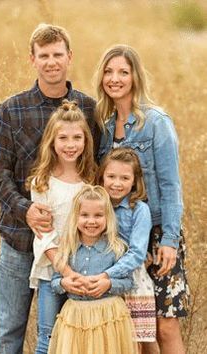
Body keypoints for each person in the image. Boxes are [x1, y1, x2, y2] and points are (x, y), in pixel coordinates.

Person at [0, 23, 100, 354]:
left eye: (58, 55)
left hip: (73, 249)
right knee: (7, 330)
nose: (52, 62)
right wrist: (26, 209)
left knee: (64, 338)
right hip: (19, 241)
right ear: (32, 60)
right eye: (44, 55)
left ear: (69, 57)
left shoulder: (89, 109)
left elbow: (99, 168)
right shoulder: (11, 109)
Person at [95, 44, 189, 354]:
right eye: (109, 72)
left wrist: (170, 241)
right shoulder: (105, 129)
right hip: (121, 234)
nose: (115, 79)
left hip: (159, 233)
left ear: (135, 77)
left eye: (123, 72)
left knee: (165, 323)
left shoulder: (156, 122)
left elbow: (170, 184)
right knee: (137, 326)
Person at [26, 99, 97, 353]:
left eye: (77, 138)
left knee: (81, 338)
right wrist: (66, 272)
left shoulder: (91, 180)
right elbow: (43, 236)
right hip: (53, 271)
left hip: (88, 270)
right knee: (48, 335)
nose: (70, 145)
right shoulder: (42, 182)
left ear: (86, 141)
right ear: (51, 142)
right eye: (63, 138)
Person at [48, 185, 138, 354]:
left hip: (108, 316)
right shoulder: (67, 248)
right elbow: (54, 281)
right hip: (76, 317)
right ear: (76, 217)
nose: (91, 221)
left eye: (98, 215)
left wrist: (108, 284)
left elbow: (128, 282)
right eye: (84, 215)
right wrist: (64, 283)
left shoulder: (116, 248)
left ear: (107, 217)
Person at [97, 147, 156, 351]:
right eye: (111, 176)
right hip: (102, 277)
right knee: (113, 341)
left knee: (138, 342)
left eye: (124, 178)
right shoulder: (98, 206)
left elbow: (138, 253)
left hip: (132, 280)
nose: (116, 183)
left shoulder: (139, 209)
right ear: (102, 176)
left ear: (134, 181)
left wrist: (108, 275)